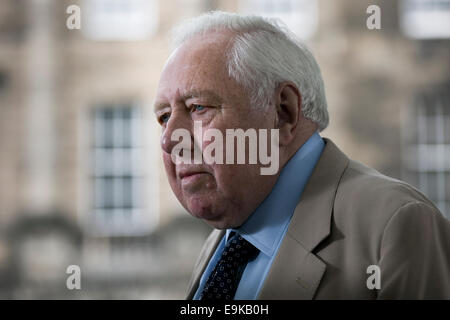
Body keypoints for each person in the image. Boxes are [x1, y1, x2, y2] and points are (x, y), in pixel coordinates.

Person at [153, 11, 450, 299]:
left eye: (198, 108)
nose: (169, 139)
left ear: (284, 112)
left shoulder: (396, 226)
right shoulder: (222, 242)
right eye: (164, 117)